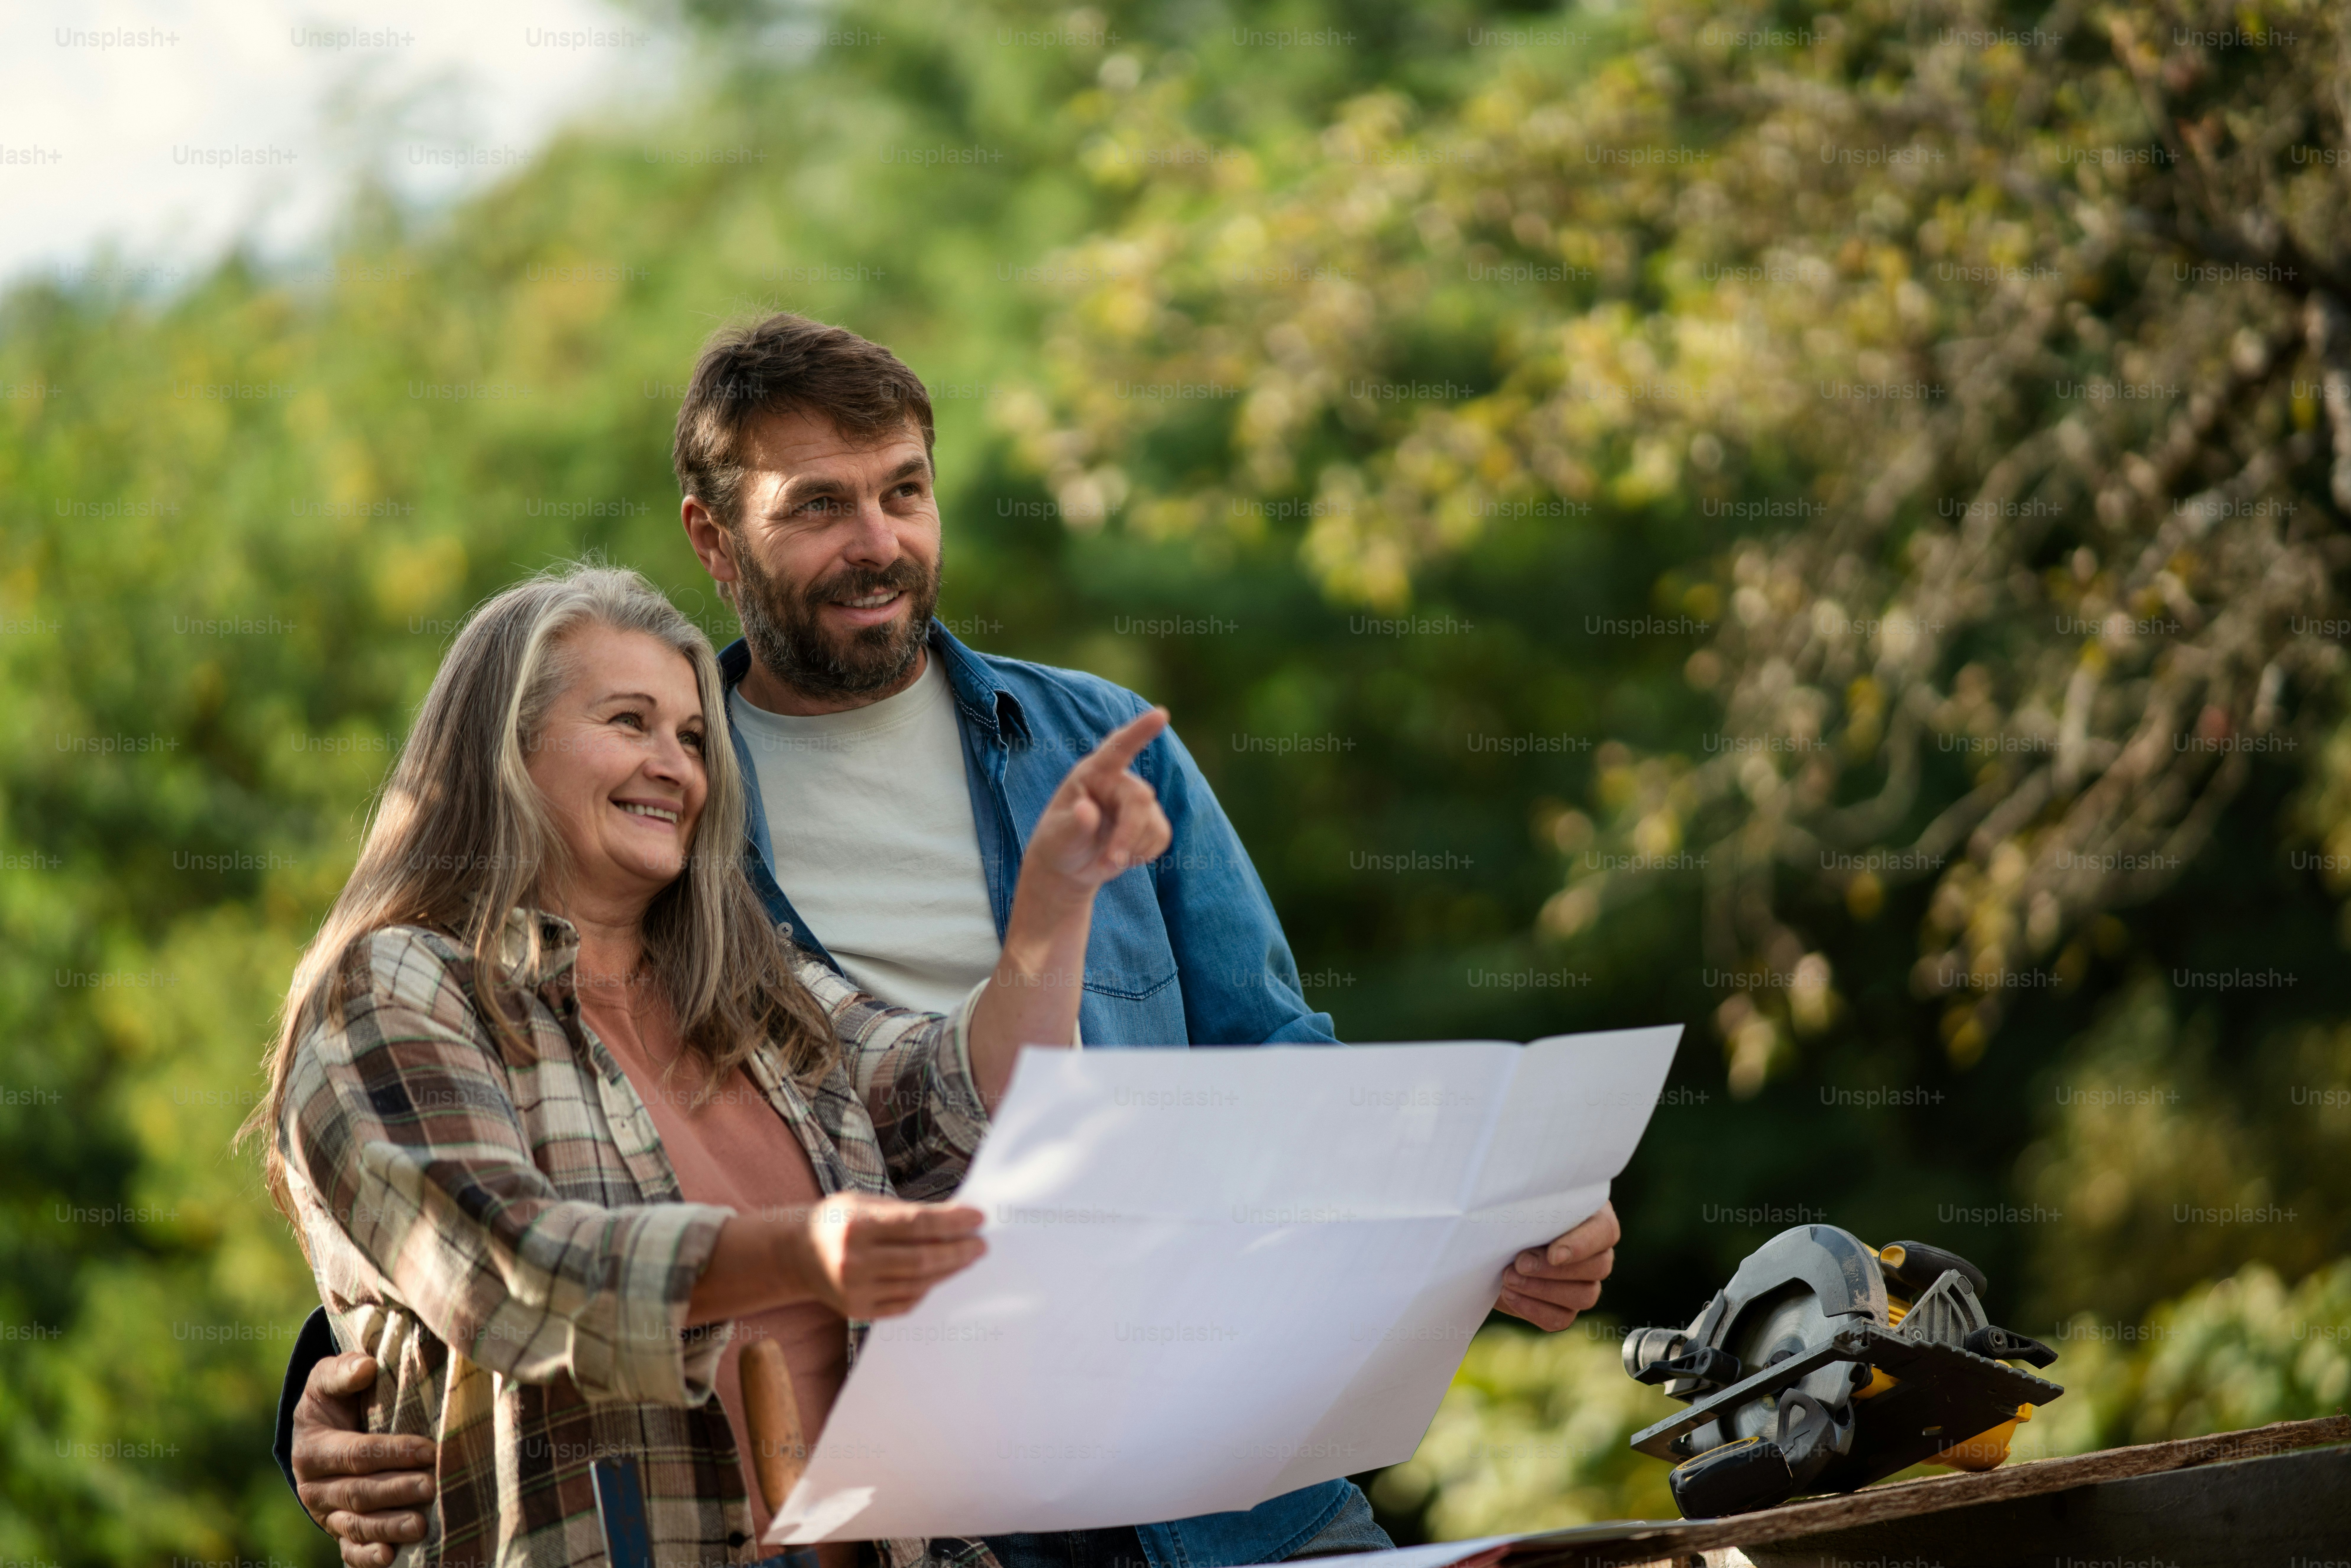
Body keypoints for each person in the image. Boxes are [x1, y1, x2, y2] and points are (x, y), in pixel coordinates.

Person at [284, 314, 1625, 1567]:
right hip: (946, 1501)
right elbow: (499, 1190)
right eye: (816, 506)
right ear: (713, 537)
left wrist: (1487, 1218)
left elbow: (1264, 1071)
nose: (876, 542)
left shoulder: (1084, 747)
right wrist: (344, 1367)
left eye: (903, 492)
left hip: (1222, 1469)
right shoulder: (669, 857)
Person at [254, 563, 1172, 1567]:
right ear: (507, 749)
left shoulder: (752, 987)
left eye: (693, 738)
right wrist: (798, 1250)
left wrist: (1055, 901)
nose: (676, 765)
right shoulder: (396, 987)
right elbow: (504, 1274)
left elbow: (960, 1102)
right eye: (629, 722)